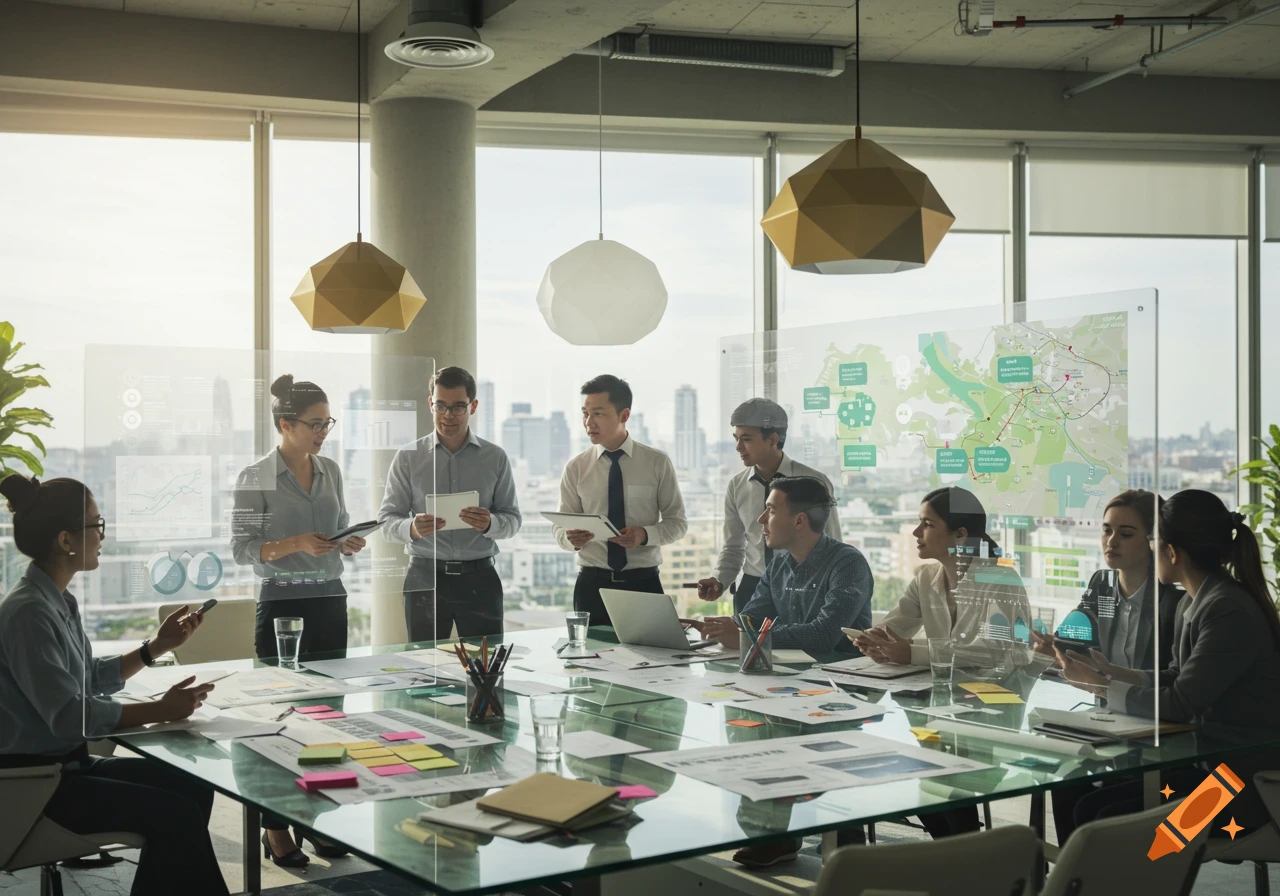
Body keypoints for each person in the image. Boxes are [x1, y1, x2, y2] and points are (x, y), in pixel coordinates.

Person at [0, 473, 228, 896]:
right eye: (96, 524)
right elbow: (70, 717)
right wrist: (159, 710)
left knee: (193, 787)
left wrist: (156, 647)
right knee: (175, 815)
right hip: (34, 785)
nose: (104, 535)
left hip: (66, 769)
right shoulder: (27, 613)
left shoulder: (55, 600)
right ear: (66, 540)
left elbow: (87, 680)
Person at [1060, 489, 1280, 835]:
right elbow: (1176, 676)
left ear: (1172, 552)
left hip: (1244, 785)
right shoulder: (1195, 602)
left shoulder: (1227, 610)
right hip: (1212, 769)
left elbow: (1180, 704)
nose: (1150, 549)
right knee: (1089, 807)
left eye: (1152, 541)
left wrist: (1099, 685)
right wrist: (1114, 672)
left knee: (1107, 825)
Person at [230, 374, 362, 865]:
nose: (323, 431)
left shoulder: (330, 470)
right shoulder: (255, 476)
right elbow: (243, 550)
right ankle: (276, 827)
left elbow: (337, 523)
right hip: (281, 602)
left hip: (330, 598)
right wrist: (296, 543)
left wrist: (346, 539)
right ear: (285, 424)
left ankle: (319, 820)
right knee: (281, 718)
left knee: (328, 716)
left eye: (328, 422)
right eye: (314, 423)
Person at [1028, 489, 1182, 845]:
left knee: (1099, 808)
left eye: (1125, 534)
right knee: (1064, 780)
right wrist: (1055, 648)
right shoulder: (1103, 582)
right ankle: (1080, 876)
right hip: (1112, 719)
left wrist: (1096, 676)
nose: (1111, 541)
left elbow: (1175, 685)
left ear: (1154, 542)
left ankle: (1099, 873)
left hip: (1155, 725)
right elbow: (1071, 641)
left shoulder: (1175, 599)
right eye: (1106, 530)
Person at [378, 366, 521, 642]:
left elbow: (513, 519)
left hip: (480, 578)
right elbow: (386, 521)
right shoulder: (408, 457)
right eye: (440, 406)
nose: (448, 415)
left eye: (457, 407)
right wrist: (412, 527)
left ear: (473, 406)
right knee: (424, 669)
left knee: (486, 668)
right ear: (430, 403)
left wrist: (491, 523)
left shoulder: (495, 457)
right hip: (424, 577)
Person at [856, 487, 1040, 674]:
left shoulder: (1001, 580)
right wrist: (877, 639)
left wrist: (912, 653)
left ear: (960, 534)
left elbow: (994, 652)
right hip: (945, 691)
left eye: (927, 524)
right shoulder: (925, 578)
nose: (916, 532)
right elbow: (897, 625)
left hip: (1000, 692)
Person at [554, 375, 687, 627]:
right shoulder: (576, 467)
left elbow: (678, 523)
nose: (588, 422)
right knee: (591, 663)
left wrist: (644, 535)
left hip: (643, 583)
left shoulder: (656, 462)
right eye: (585, 413)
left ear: (624, 415)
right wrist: (568, 537)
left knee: (653, 662)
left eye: (598, 414)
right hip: (592, 586)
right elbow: (560, 526)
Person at [695, 476, 873, 656]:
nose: (761, 519)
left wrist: (751, 637)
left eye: (771, 511)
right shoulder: (778, 565)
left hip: (840, 678)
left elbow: (823, 634)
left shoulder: (849, 564)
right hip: (789, 674)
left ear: (799, 521)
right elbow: (752, 619)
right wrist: (720, 627)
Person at [698, 398, 842, 613]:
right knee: (744, 646)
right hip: (752, 588)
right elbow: (733, 545)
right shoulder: (737, 485)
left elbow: (832, 542)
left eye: (746, 439)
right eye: (736, 438)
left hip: (804, 588)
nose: (738, 447)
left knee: (798, 645)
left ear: (773, 439)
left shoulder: (813, 482)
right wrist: (720, 581)